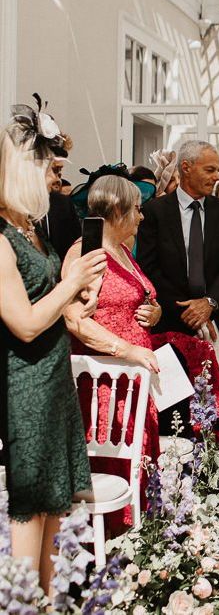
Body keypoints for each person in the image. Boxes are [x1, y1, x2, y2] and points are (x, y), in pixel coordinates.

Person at [63, 174, 219, 533]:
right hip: (107, 380)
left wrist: (155, 312)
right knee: (120, 460)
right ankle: (114, 536)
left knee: (143, 455)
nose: (142, 217)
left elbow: (142, 297)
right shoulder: (87, 253)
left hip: (136, 376)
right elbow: (74, 319)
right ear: (117, 210)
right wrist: (125, 348)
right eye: (137, 210)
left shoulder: (124, 251)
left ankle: (141, 533)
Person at [0, 97, 106, 592]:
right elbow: (22, 324)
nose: (55, 182)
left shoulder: (34, 233)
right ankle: (23, 601)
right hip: (24, 385)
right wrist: (69, 283)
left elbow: (56, 314)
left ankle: (48, 601)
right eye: (49, 169)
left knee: (54, 504)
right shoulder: (1, 239)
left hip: (54, 379)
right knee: (31, 503)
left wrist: (81, 296)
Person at [137, 141, 219, 396]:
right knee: (174, 409)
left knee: (215, 412)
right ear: (186, 167)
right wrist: (188, 310)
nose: (217, 176)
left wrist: (209, 303)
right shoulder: (155, 211)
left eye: (218, 170)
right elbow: (148, 268)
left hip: (217, 327)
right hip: (171, 326)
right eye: (210, 170)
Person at [38, 140, 81, 262]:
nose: (56, 179)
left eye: (59, 172)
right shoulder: (10, 211)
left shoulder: (64, 204)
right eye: (54, 170)